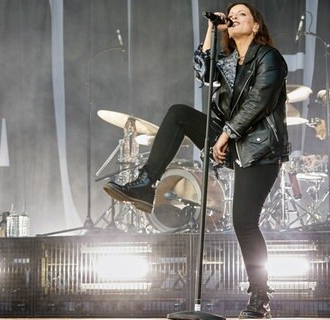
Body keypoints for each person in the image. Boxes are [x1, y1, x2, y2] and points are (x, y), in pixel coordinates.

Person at [103, 2, 289, 318]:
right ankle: (147, 183)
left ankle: (260, 299)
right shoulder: (229, 61)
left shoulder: (269, 58)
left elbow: (259, 102)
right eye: (232, 14)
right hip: (232, 140)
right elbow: (202, 70)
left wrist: (224, 135)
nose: (235, 17)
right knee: (178, 113)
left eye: (242, 14)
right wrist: (211, 29)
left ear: (256, 25)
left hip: (260, 150)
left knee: (244, 222)